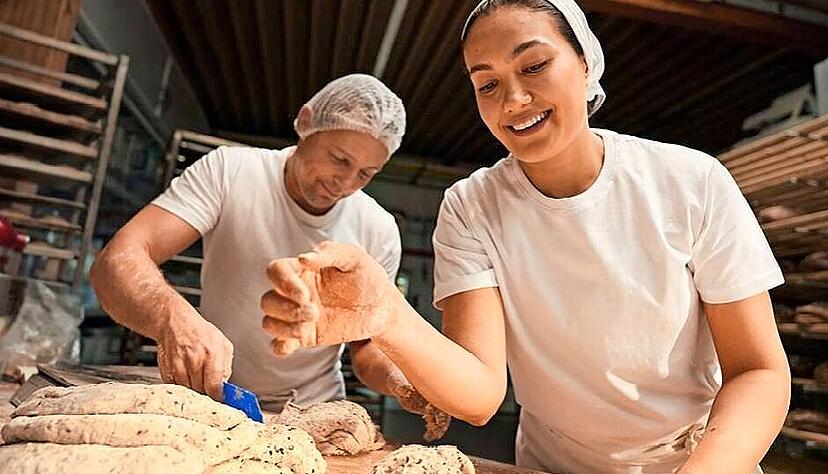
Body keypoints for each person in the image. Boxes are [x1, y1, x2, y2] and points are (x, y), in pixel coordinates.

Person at [260, 2, 790, 472]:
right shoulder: (472, 206)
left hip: (699, 458)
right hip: (552, 464)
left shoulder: (689, 182)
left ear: (585, 65)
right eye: (486, 83)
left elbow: (759, 372)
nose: (513, 99)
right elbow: (479, 394)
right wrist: (386, 313)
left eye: (534, 65)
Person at [90, 74, 448, 437]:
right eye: (339, 159)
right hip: (213, 398)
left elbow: (366, 347)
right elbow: (117, 259)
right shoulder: (231, 173)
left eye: (366, 174)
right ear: (306, 122)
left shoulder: (378, 230)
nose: (345, 183)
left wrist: (404, 381)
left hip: (314, 414)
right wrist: (173, 318)